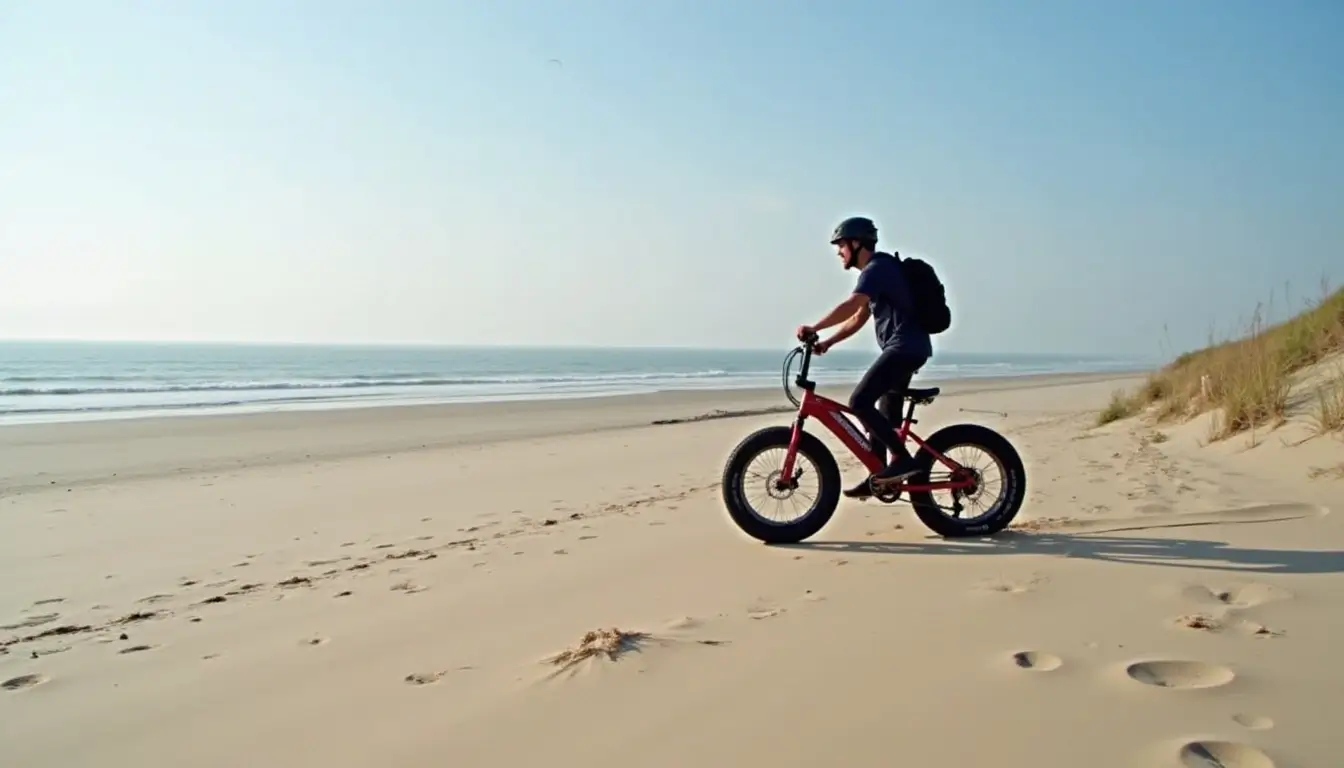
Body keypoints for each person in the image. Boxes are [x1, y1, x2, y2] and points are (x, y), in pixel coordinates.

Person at [795, 215, 933, 499]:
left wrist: (815, 327)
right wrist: (829, 342)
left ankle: (902, 459)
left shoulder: (877, 268)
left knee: (859, 401)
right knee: (880, 416)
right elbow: (859, 317)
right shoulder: (878, 270)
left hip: (904, 348)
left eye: (841, 245)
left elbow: (851, 305)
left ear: (857, 244)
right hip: (907, 348)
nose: (838, 252)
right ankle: (881, 474)